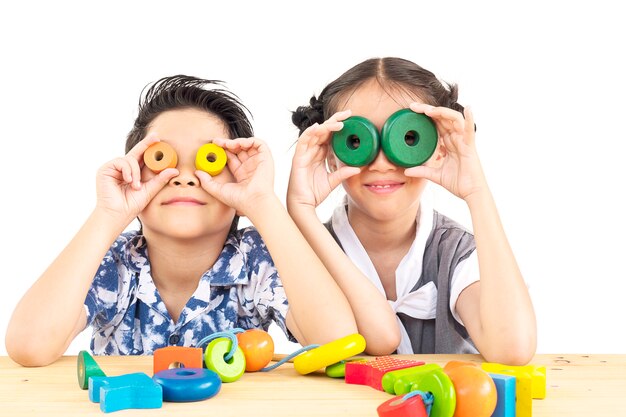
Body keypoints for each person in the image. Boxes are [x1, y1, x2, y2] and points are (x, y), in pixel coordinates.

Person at [6, 75, 357, 366]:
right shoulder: (113, 263)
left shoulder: (256, 260)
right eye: (163, 160)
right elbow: (29, 347)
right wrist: (108, 214)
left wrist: (263, 203)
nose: (185, 177)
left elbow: (336, 344)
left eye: (209, 160)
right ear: (134, 176)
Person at [287, 57, 536, 364]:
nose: (381, 163)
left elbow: (512, 349)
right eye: (357, 140)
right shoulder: (297, 258)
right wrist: (302, 211)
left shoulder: (455, 253)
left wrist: (476, 191)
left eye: (406, 139)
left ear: (439, 147)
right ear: (330, 154)